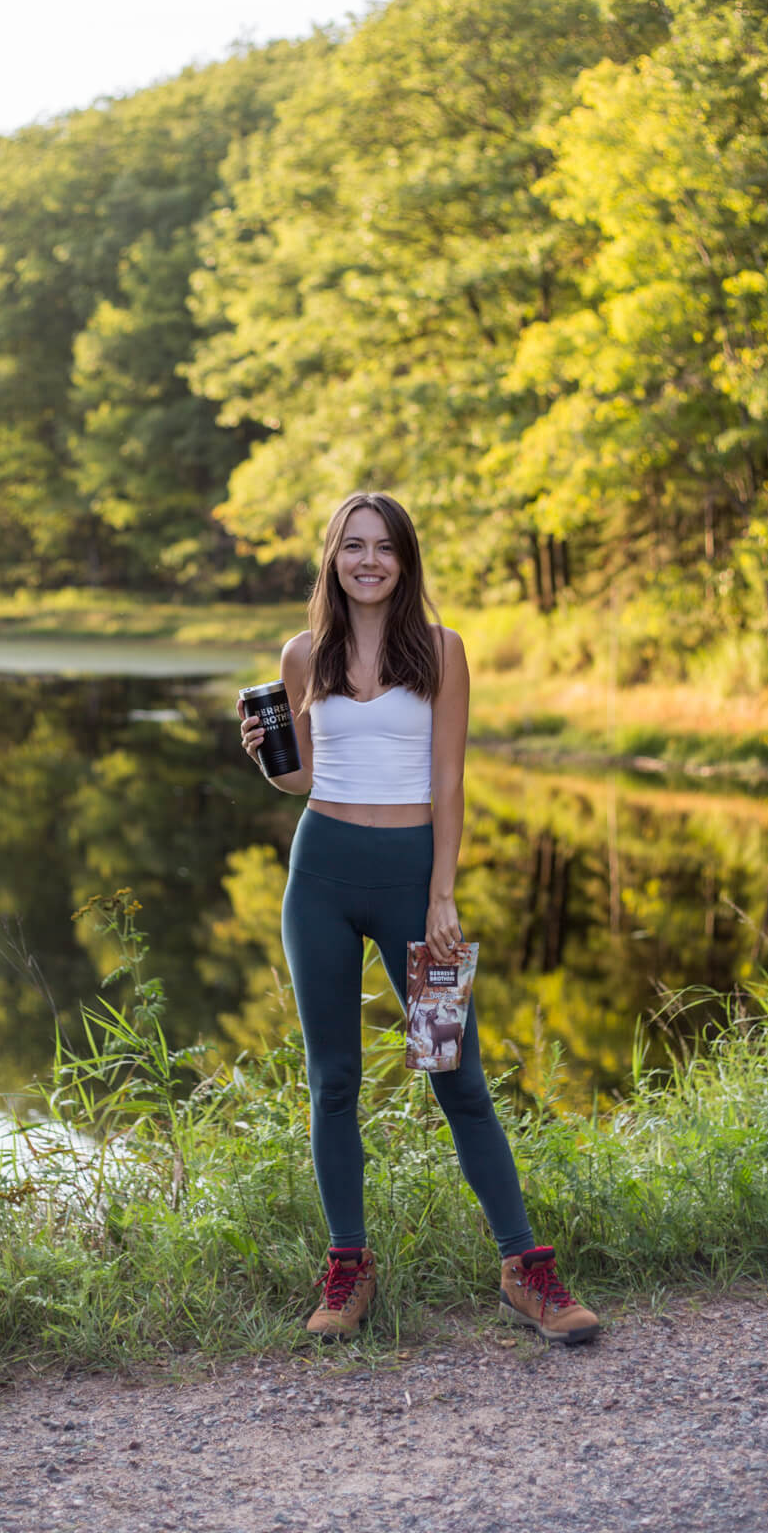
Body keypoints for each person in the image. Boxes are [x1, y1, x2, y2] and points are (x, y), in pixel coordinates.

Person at [237, 490, 599, 1346]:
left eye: (384, 548)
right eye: (353, 546)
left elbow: (449, 782)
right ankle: (348, 1270)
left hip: (412, 885)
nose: (368, 561)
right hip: (319, 875)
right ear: (332, 557)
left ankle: (526, 1273)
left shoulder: (442, 651)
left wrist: (442, 893)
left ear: (405, 561)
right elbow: (311, 777)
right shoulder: (303, 655)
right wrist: (268, 764)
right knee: (333, 1082)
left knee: (456, 1075)